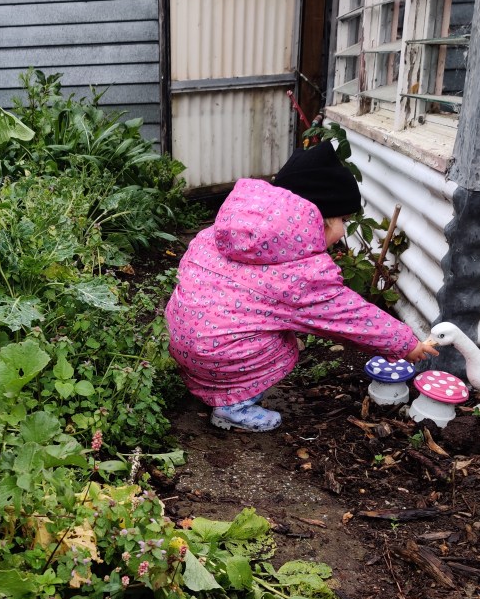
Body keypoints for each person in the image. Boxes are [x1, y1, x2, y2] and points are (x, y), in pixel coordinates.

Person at [164, 140, 438, 432]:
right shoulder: (301, 275)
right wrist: (406, 344)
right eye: (343, 219)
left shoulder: (219, 233)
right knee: (283, 348)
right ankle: (233, 407)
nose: (344, 230)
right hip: (219, 358)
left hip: (184, 343)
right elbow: (351, 316)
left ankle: (215, 384)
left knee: (247, 328)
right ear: (318, 220)